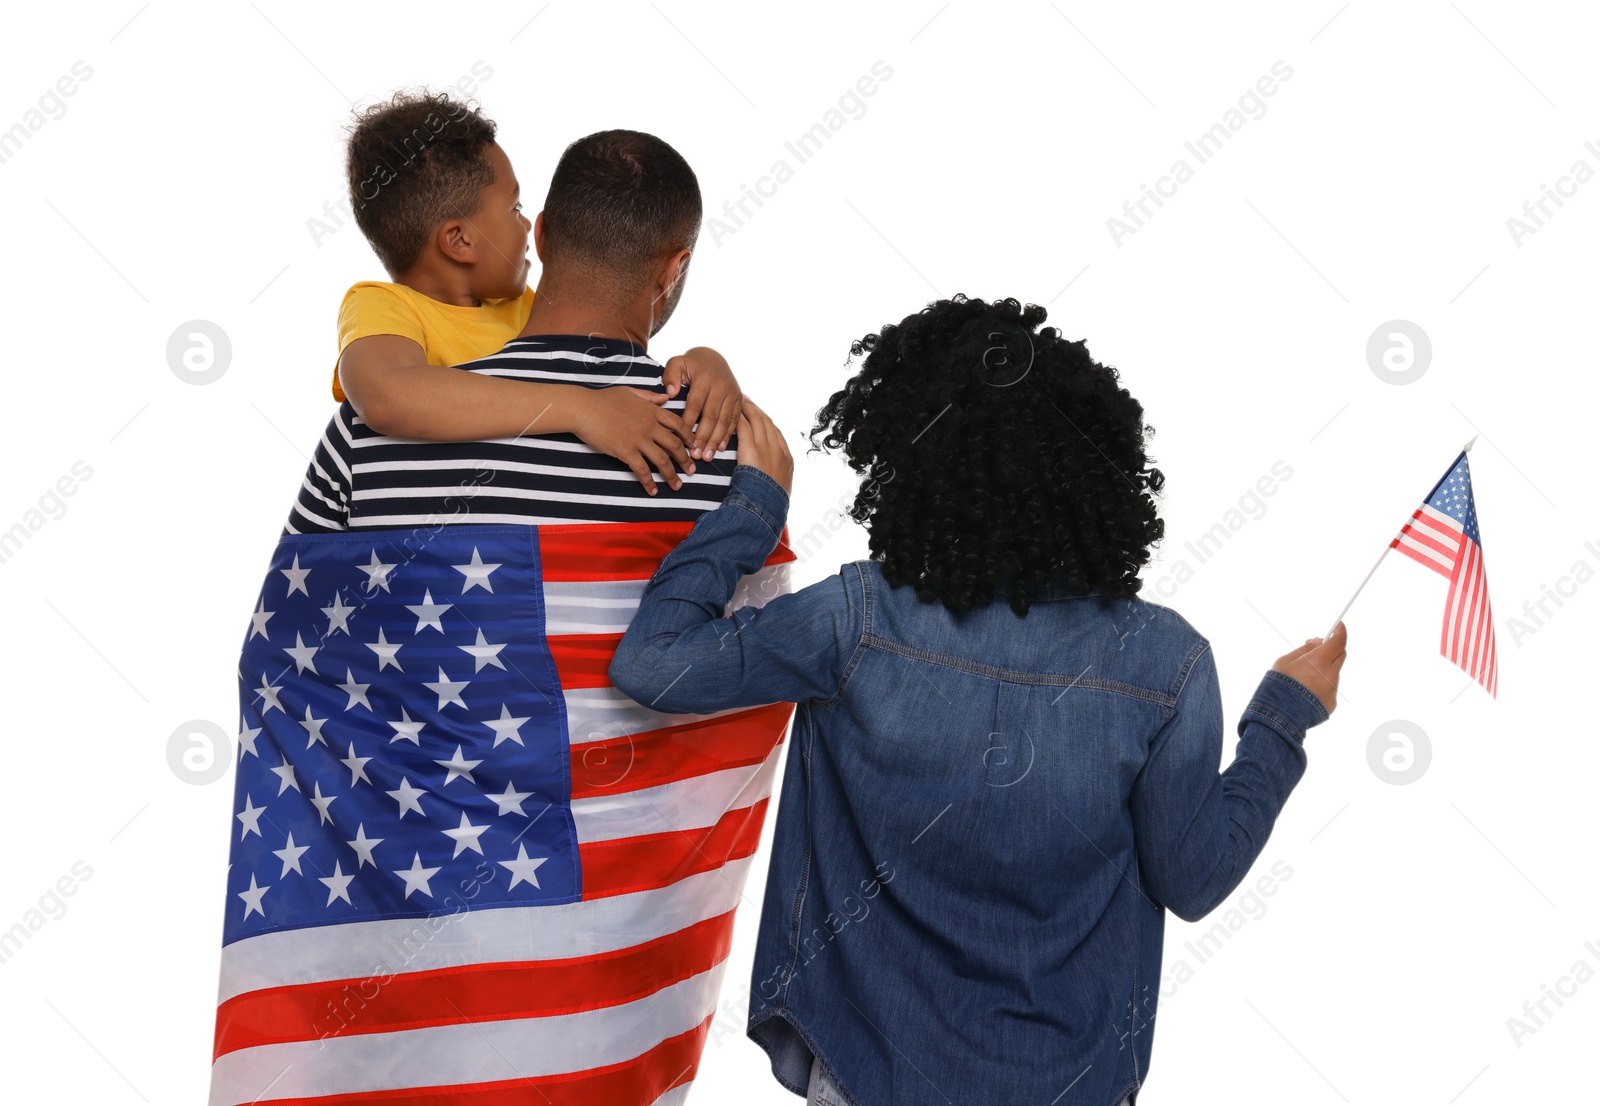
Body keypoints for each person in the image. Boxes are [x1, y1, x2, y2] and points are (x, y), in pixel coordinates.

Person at [609, 294, 1350, 1106]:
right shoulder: (1166, 663)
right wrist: (1284, 715)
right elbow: (1194, 877)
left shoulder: (855, 619)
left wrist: (752, 507)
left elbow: (655, 666)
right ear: (1098, 471)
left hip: (867, 1074)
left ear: (910, 458)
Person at [210, 129, 794, 1106]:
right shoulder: (732, 454)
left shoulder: (370, 432)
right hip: (595, 1003)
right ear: (673, 267)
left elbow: (281, 663)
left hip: (397, 989)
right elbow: (750, 686)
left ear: (546, 240)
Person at [328, 88, 743, 494]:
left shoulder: (519, 307)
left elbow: (619, 344)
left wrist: (705, 363)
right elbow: (386, 398)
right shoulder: (380, 305)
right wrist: (583, 409)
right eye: (515, 208)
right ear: (459, 242)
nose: (525, 227)